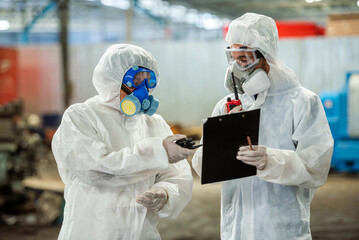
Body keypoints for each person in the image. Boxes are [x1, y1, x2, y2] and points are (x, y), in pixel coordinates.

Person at [192, 13, 334, 239]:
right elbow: (202, 166)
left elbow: (316, 167)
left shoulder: (302, 102)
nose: (238, 67)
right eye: (233, 57)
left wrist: (271, 160)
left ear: (265, 56)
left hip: (281, 230)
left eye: (245, 58)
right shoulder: (227, 106)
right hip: (236, 229)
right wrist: (220, 140)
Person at [51, 44, 194, 240]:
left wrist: (165, 193)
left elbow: (178, 176)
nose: (143, 90)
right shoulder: (81, 116)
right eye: (136, 80)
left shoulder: (154, 122)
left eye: (147, 81)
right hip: (92, 231)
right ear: (112, 80)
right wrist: (159, 153)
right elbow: (96, 168)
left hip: (142, 233)